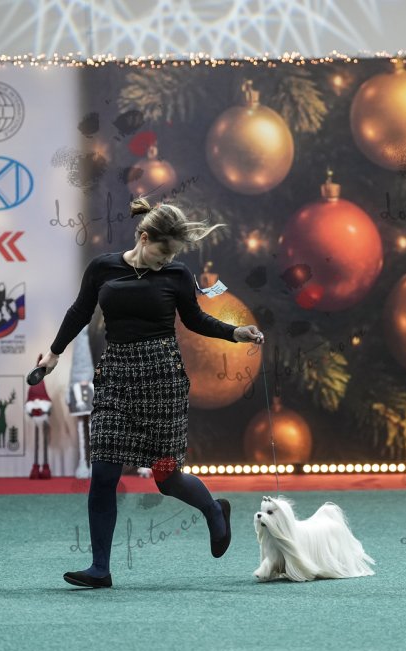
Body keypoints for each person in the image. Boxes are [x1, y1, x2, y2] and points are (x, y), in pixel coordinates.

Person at [36, 197, 264, 588]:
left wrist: (234, 332)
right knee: (103, 473)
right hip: (116, 377)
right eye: (162, 253)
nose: (166, 262)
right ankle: (100, 568)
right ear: (144, 238)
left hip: (162, 380)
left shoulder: (177, 275)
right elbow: (79, 312)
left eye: (171, 256)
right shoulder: (103, 268)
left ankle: (214, 510)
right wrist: (54, 353)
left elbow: (195, 319)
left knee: (166, 477)